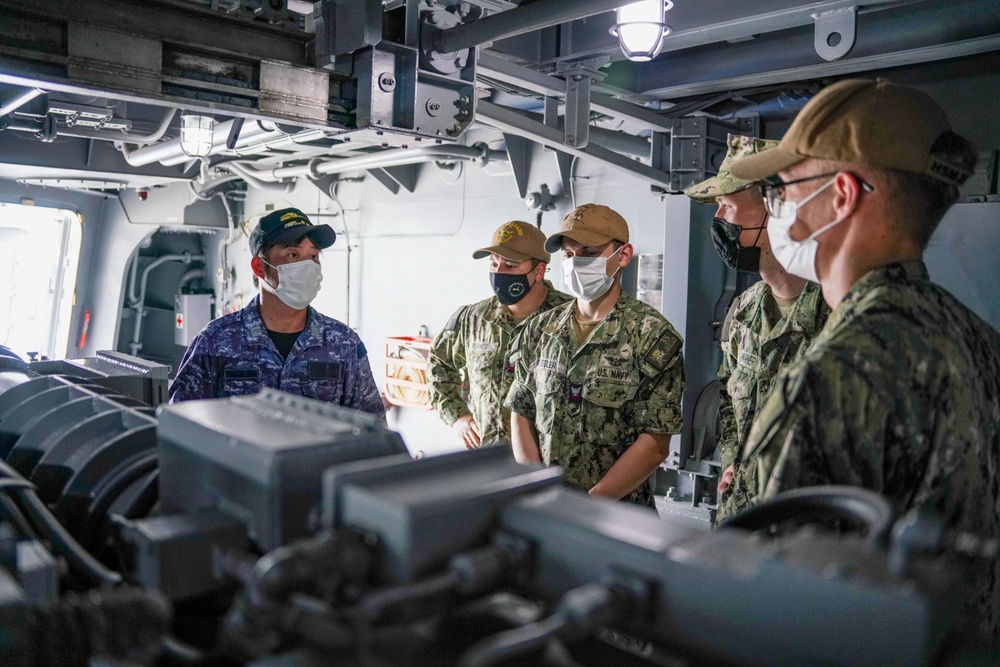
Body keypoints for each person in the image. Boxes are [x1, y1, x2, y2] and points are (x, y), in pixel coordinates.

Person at [728, 78, 1000, 635]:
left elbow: (770, 613)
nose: (782, 210)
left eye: (784, 190)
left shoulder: (831, 375)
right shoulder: (980, 341)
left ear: (842, 195)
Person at [683, 134, 830, 521]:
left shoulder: (839, 313)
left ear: (780, 209)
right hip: (741, 520)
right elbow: (729, 401)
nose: (719, 221)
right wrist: (733, 460)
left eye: (729, 206)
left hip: (810, 538)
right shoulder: (745, 310)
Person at [504, 204, 685, 508]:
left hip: (618, 514)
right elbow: (520, 409)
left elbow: (655, 442)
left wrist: (587, 506)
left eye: (589, 253)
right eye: (569, 255)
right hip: (546, 506)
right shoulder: (539, 329)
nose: (576, 264)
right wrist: (538, 489)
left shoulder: (651, 336)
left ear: (623, 256)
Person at [169, 207, 385, 417]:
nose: (308, 266)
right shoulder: (215, 342)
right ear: (259, 267)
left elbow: (372, 431)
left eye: (314, 256)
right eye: (293, 254)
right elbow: (181, 425)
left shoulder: (344, 344)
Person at [428, 221, 571, 448]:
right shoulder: (473, 318)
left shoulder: (569, 318)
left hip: (550, 462)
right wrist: (457, 416)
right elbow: (439, 364)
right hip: (491, 456)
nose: (498, 273)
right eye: (494, 263)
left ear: (539, 271)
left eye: (511, 266)